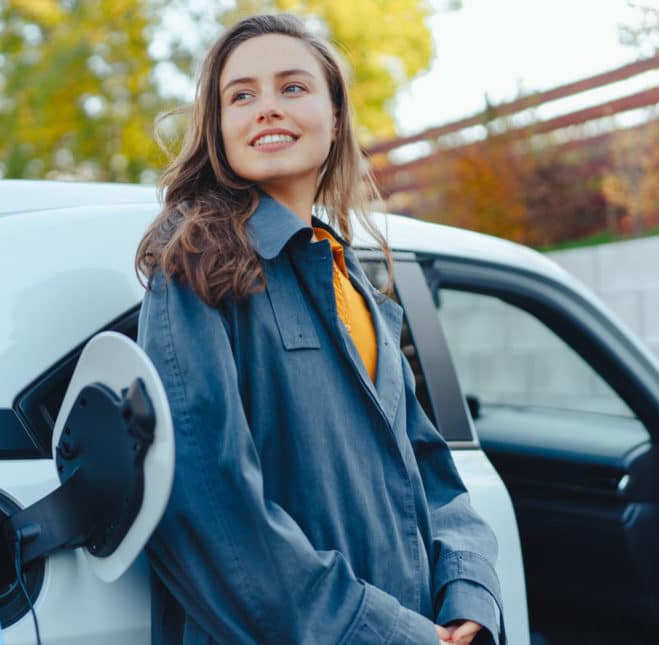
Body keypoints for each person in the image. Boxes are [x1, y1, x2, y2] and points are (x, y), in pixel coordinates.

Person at [134, 14, 505, 645]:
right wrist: (382, 632)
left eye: (293, 88)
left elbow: (428, 464)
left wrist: (468, 593)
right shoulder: (195, 262)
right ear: (219, 130)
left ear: (335, 120)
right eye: (241, 95)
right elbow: (209, 510)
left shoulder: (350, 278)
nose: (267, 109)